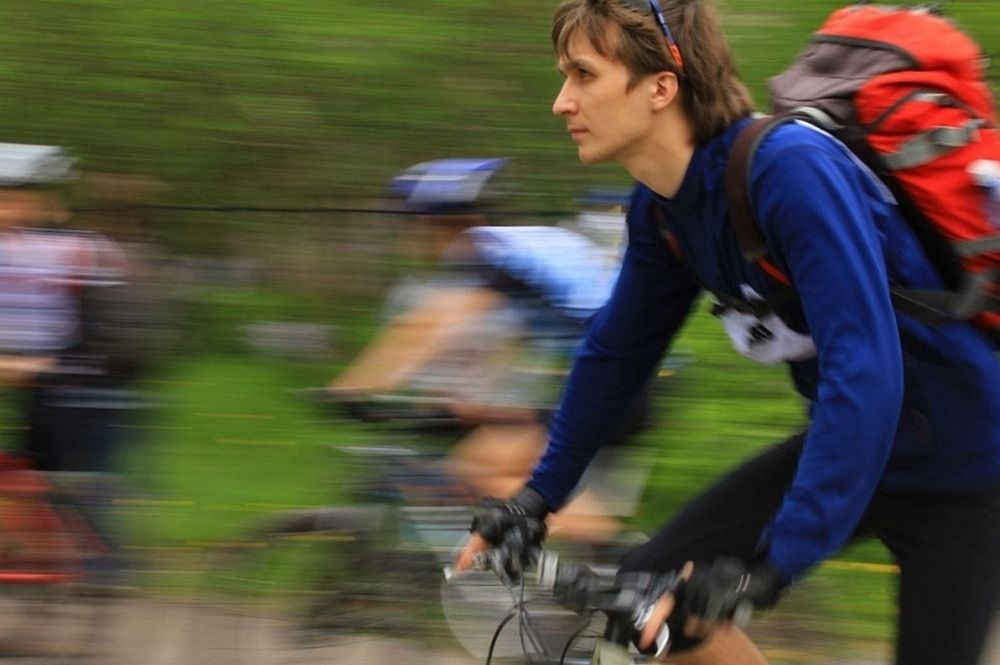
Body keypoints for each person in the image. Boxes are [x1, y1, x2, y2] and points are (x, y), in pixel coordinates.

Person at [453, 2, 1000, 665]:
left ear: (661, 85)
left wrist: (773, 564)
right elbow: (616, 353)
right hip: (855, 448)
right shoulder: (663, 209)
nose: (562, 101)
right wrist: (537, 499)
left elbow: (865, 370)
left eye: (584, 75)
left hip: (969, 467)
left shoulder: (789, 170)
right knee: (645, 609)